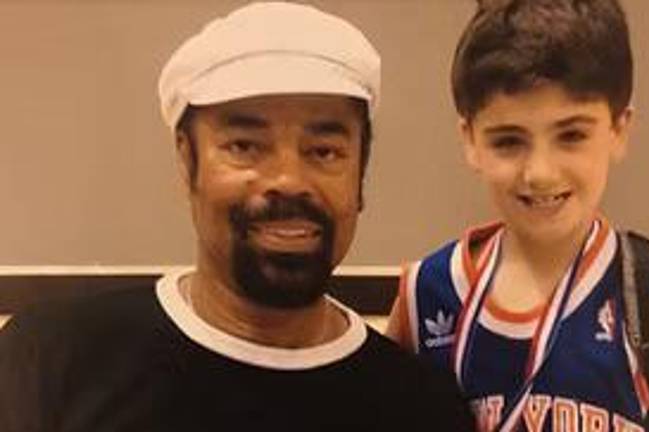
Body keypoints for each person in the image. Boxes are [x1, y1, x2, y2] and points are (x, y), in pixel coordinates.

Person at [0, 2, 475, 431]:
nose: (289, 180)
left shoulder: (422, 409)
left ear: (360, 173)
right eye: (245, 146)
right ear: (186, 161)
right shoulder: (52, 359)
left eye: (324, 150)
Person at [385, 0, 649, 431]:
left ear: (619, 130)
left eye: (572, 135)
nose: (540, 172)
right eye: (508, 141)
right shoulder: (426, 296)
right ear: (470, 140)